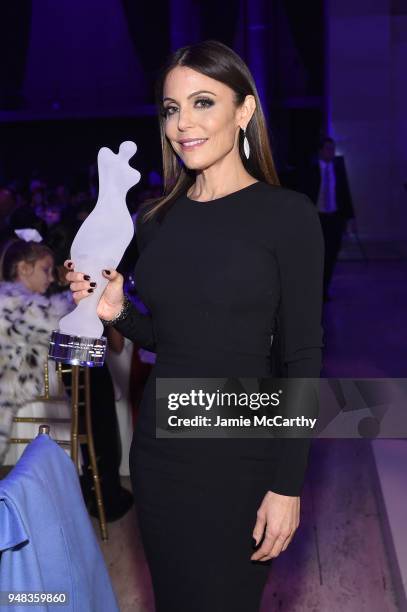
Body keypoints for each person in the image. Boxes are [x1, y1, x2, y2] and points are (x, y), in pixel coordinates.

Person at [64, 40, 324, 612]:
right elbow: (171, 337)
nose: (183, 124)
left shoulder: (288, 216)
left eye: (203, 102)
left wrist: (286, 485)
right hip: (161, 456)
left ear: (245, 111)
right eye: (171, 108)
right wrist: (119, 312)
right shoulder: (156, 220)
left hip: (243, 455)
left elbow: (304, 358)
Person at [0, 230, 72, 464]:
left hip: (45, 391)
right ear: (24, 268)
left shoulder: (37, 307)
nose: (51, 278)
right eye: (45, 270)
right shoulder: (9, 302)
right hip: (19, 397)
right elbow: (52, 321)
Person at [299, 136, 356, 301]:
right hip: (317, 218)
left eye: (333, 148)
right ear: (321, 151)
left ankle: (324, 289)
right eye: (328, 149)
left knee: (331, 254)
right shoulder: (311, 169)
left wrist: (350, 219)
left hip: (334, 218)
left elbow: (345, 194)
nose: (331, 152)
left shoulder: (338, 169)